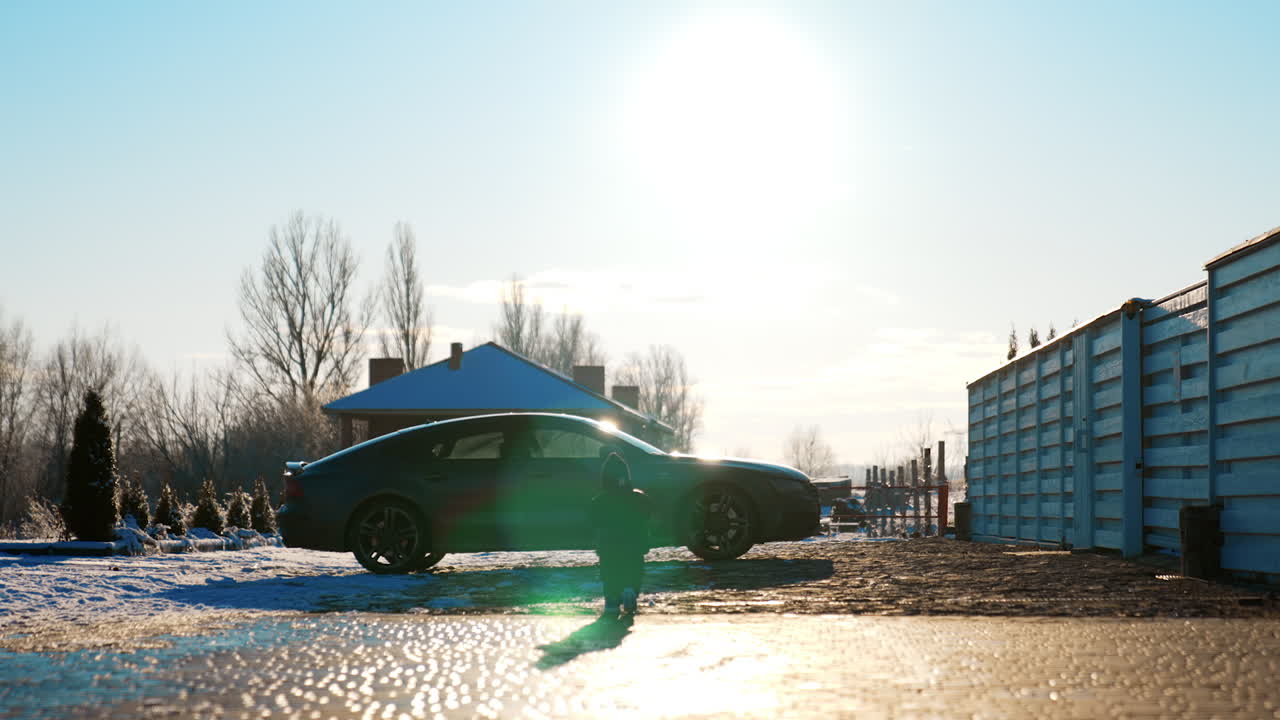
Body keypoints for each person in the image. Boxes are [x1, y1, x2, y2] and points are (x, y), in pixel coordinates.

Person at [589, 451, 653, 616]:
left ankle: (611, 599)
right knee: (634, 569)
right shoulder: (640, 499)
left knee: (610, 572)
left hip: (609, 546)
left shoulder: (599, 502)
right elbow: (648, 515)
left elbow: (594, 523)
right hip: (634, 544)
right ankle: (630, 589)